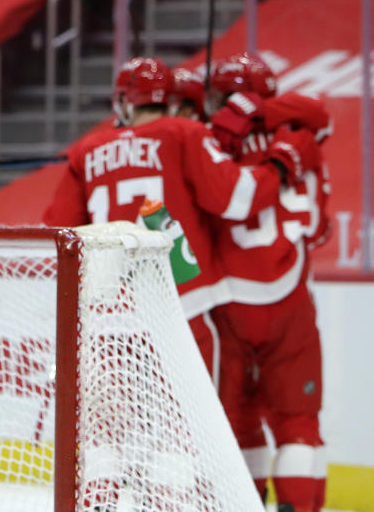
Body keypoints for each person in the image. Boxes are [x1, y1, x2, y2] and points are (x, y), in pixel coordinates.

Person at [42, 57, 322, 379]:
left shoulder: (87, 150)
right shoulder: (184, 133)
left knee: (118, 426)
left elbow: (57, 231)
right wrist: (281, 166)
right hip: (183, 307)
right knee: (195, 426)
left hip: (110, 318)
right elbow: (238, 199)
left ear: (123, 102)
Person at [206, 52, 330, 512]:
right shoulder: (304, 135)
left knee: (236, 417)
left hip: (227, 300)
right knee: (299, 421)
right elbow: (320, 228)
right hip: (292, 295)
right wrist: (262, 114)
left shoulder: (209, 142)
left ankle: (244, 503)